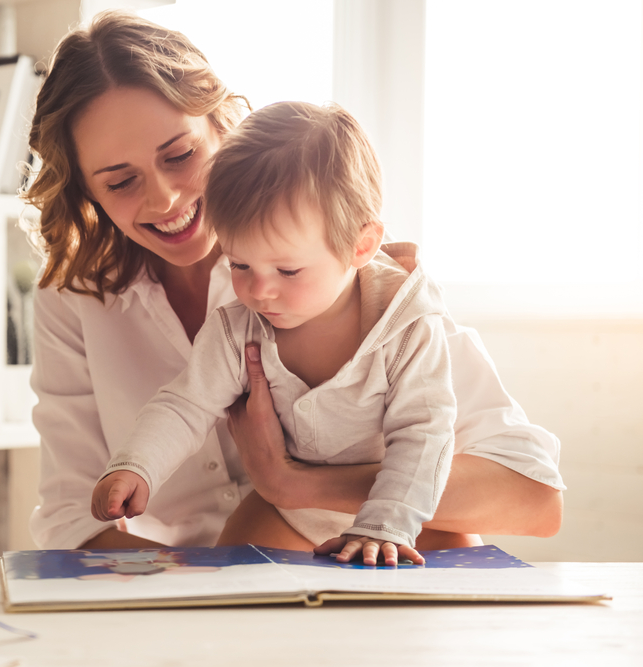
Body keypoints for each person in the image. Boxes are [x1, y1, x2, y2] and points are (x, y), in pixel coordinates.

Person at [22, 10, 564, 554]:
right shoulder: (74, 297)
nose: (164, 199)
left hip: (392, 550)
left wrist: (295, 484)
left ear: (221, 126)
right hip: (216, 573)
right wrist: (195, 582)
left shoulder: (349, 270)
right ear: (86, 191)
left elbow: (533, 498)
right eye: (120, 182)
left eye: (181, 155)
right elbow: (74, 515)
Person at [93, 101, 456, 567]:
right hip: (289, 513)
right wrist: (135, 465)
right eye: (239, 264)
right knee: (234, 580)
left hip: (403, 515)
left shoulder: (409, 327)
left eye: (288, 269)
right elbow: (186, 404)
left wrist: (384, 524)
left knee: (458, 586)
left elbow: (424, 434)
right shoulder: (237, 327)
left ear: (360, 245)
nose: (259, 290)